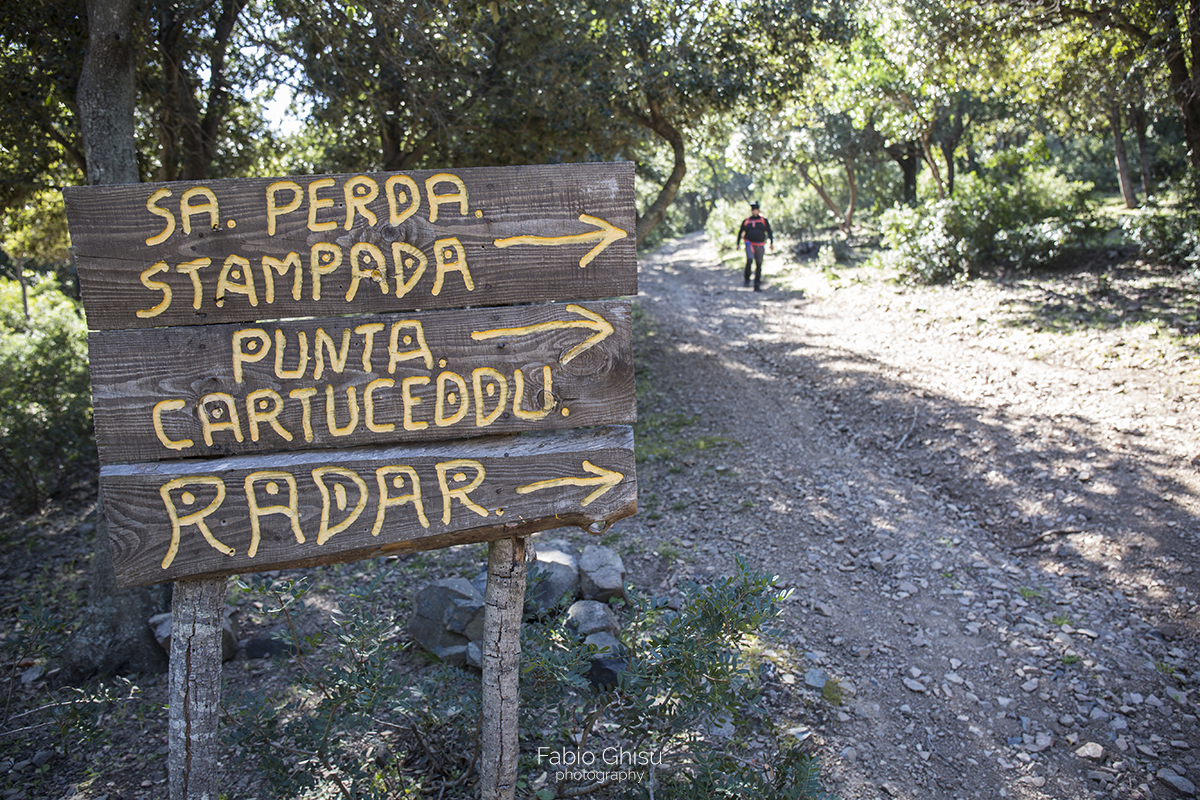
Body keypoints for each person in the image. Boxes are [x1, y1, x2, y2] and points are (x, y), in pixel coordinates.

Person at [736, 201, 773, 291]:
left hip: (760, 245)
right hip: (749, 243)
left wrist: (772, 242)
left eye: (756, 210)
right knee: (749, 260)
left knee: (759, 263)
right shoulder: (747, 221)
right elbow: (740, 232)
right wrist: (738, 243)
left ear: (758, 210)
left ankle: (757, 284)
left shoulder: (763, 221)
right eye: (753, 210)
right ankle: (747, 279)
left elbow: (769, 231)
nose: (754, 212)